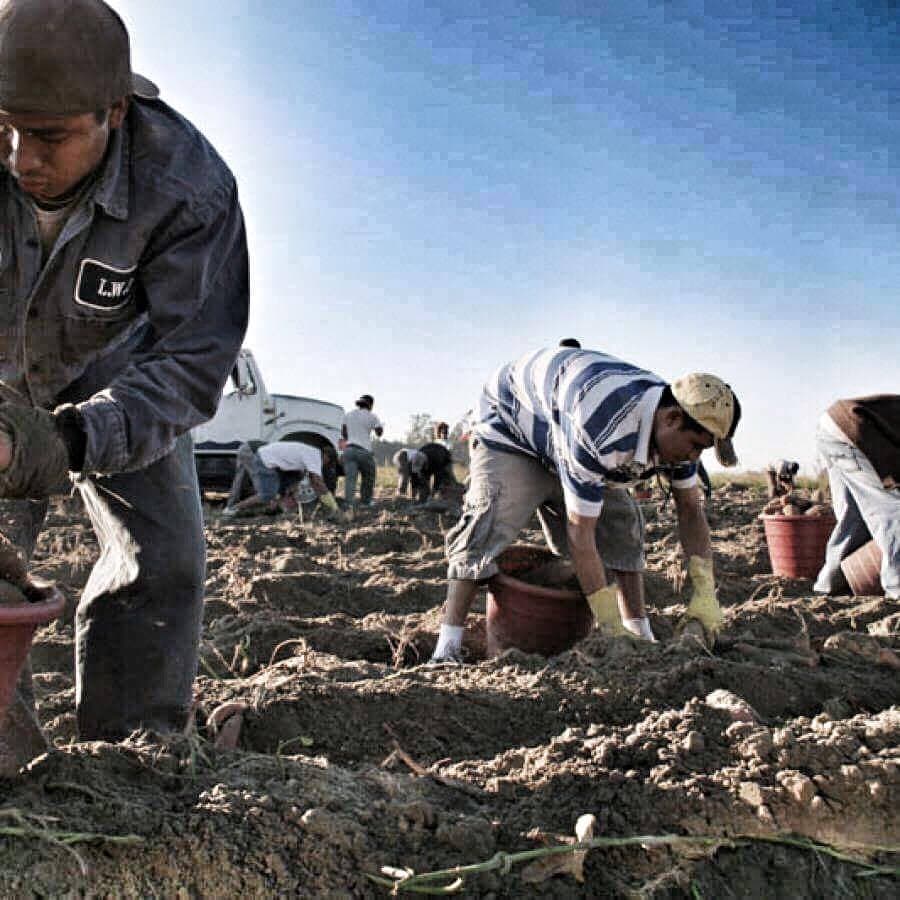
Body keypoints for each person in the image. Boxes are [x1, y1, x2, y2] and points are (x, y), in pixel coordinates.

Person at [0, 0, 249, 770]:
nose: (19, 158)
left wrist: (74, 438)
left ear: (113, 112)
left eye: (48, 137)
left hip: (114, 366)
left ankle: (132, 759)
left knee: (166, 559)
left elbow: (191, 359)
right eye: (2, 127)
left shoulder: (188, 186)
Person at [430, 346, 741, 663]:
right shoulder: (602, 426)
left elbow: (690, 510)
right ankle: (447, 648)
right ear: (672, 419)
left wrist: (705, 590)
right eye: (695, 447)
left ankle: (639, 632)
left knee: (621, 525)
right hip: (512, 424)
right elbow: (581, 533)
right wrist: (608, 624)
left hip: (567, 427)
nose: (694, 458)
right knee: (488, 520)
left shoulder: (674, 425)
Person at [813, 395, 899, 600]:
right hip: (853, 429)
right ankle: (897, 587)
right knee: (892, 512)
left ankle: (830, 584)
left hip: (832, 426)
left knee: (853, 516)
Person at [223, 441, 341, 520]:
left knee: (294, 482)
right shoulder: (315, 456)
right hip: (265, 459)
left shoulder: (308, 453)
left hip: (272, 460)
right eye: (328, 463)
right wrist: (334, 505)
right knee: (267, 494)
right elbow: (318, 482)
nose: (325, 465)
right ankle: (232, 509)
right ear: (326, 457)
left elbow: (312, 483)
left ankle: (282, 509)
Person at [341, 394, 383, 508]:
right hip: (364, 451)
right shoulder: (372, 416)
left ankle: (348, 504)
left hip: (349, 450)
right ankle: (365, 502)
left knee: (350, 479)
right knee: (369, 476)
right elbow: (379, 433)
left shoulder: (348, 415)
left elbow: (344, 433)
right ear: (370, 405)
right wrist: (379, 427)